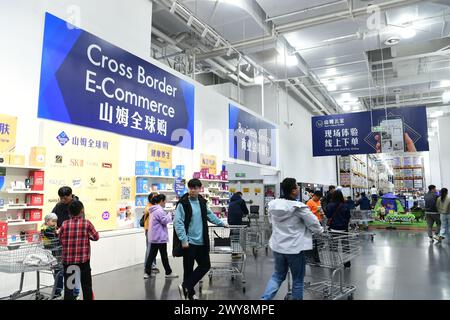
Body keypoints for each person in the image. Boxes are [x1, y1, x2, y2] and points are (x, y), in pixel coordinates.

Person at [261, 178, 323, 300]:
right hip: (294, 249)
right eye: (297, 187)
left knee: (277, 276)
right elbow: (314, 223)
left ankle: (264, 300)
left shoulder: (273, 205)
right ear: (293, 190)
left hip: (278, 247)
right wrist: (321, 231)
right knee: (298, 281)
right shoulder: (298, 207)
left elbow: (271, 221)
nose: (299, 188)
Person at [174, 179, 229, 300]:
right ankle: (190, 294)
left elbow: (209, 215)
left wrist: (221, 223)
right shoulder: (183, 203)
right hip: (189, 243)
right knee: (188, 269)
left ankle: (185, 286)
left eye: (195, 188)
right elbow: (178, 223)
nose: (192, 190)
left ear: (200, 189)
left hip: (202, 242)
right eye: (190, 188)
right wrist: (183, 240)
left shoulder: (202, 202)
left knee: (205, 266)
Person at [59, 200, 99, 300]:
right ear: (82, 211)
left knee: (69, 287)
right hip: (83, 261)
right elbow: (96, 237)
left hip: (68, 261)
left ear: (69, 212)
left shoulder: (64, 224)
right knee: (86, 285)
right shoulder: (87, 224)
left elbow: (60, 238)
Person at [51, 186, 81, 298]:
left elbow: (79, 222)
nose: (63, 200)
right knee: (58, 267)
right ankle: (58, 290)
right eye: (61, 198)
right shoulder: (58, 205)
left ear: (70, 195)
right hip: (59, 241)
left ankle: (74, 293)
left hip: (72, 242)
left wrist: (65, 228)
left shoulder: (77, 205)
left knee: (72, 268)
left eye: (65, 198)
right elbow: (52, 218)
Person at [144, 194, 178, 279]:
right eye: (165, 201)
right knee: (164, 256)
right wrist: (170, 214)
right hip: (160, 237)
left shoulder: (153, 209)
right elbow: (164, 221)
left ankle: (147, 272)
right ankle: (168, 272)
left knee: (151, 255)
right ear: (161, 201)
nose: (165, 202)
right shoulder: (159, 210)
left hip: (154, 237)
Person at [326, 190, 351, 268]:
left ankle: (334, 263)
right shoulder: (345, 205)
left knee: (333, 247)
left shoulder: (329, 205)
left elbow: (328, 216)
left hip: (333, 229)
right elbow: (348, 217)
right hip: (343, 229)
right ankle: (347, 263)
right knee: (345, 247)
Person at [40, 213, 63, 298]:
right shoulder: (45, 229)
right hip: (52, 251)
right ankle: (58, 290)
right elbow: (54, 234)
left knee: (58, 271)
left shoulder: (52, 228)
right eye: (53, 221)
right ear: (47, 221)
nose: (55, 223)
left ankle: (58, 290)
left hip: (55, 251)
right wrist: (59, 231)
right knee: (58, 270)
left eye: (56, 221)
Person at [143, 192, 159, 276]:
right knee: (149, 249)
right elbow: (147, 211)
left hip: (154, 230)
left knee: (153, 249)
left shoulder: (155, 206)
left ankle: (152, 266)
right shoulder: (148, 206)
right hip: (149, 230)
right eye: (155, 197)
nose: (157, 198)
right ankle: (147, 266)